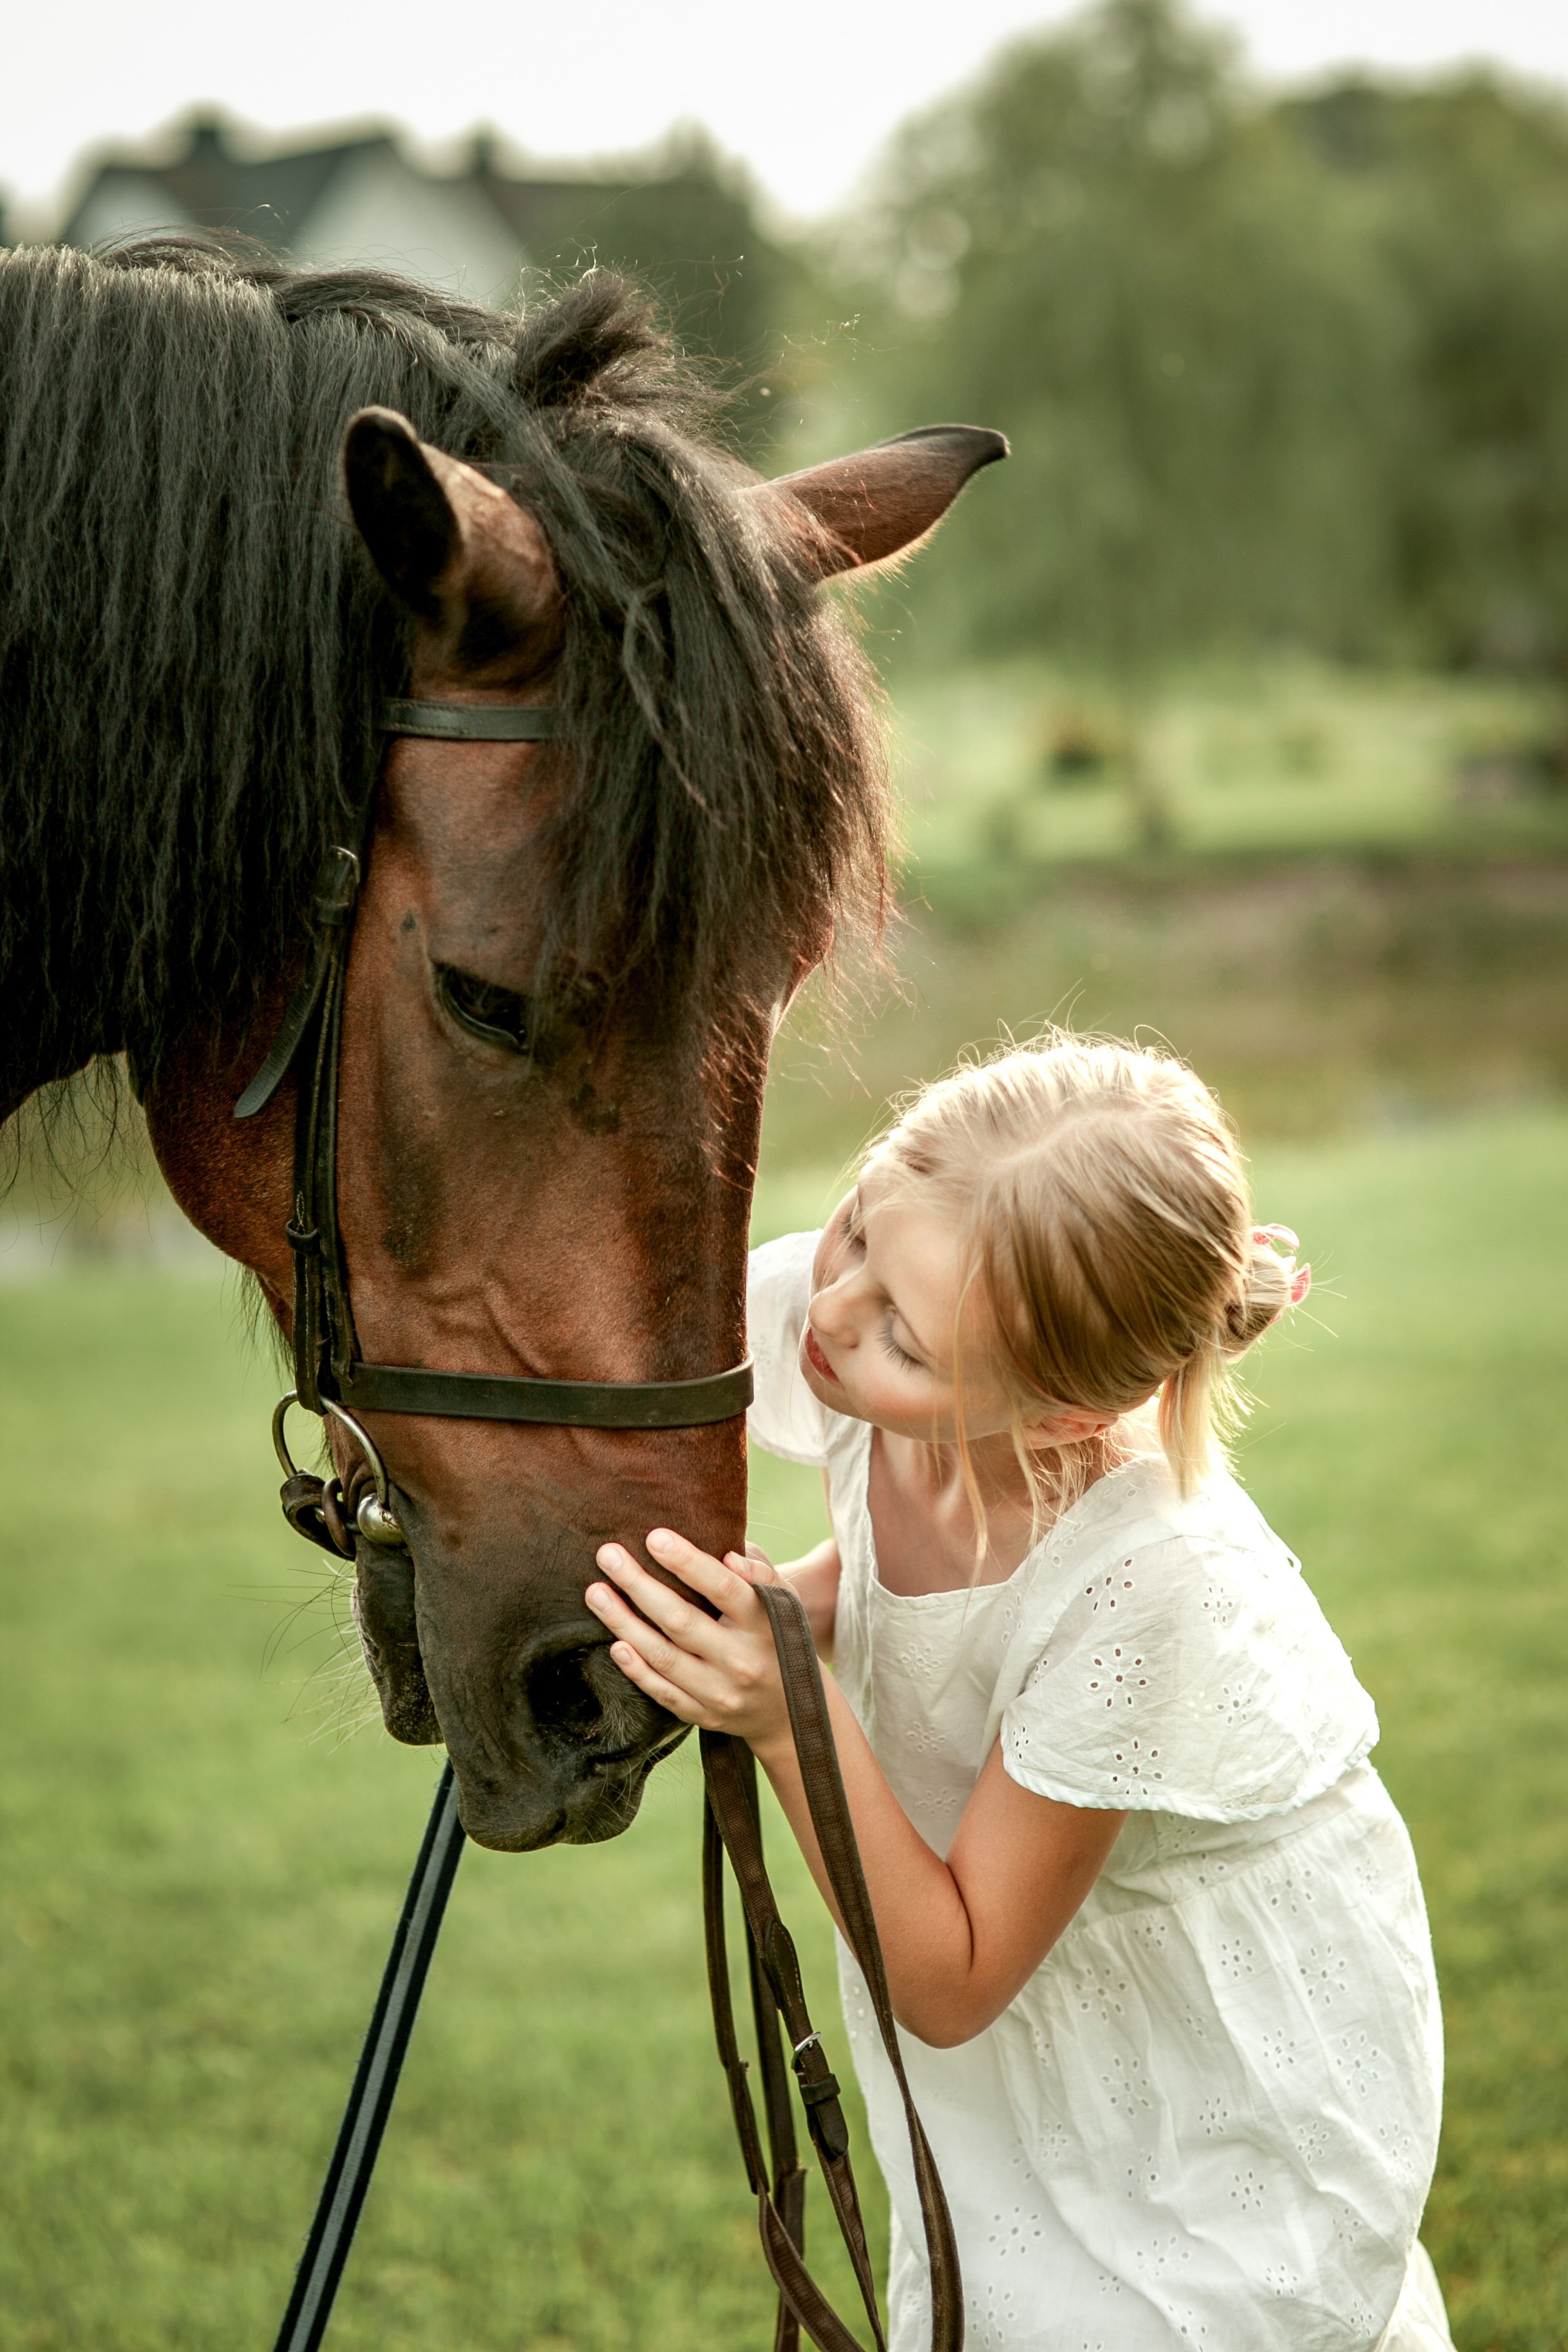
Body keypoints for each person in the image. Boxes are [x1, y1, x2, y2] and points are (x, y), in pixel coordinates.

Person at [585, 1034, 1454, 2352]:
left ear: (1056, 1418)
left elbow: (954, 1975)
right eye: (858, 1227)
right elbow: (903, 1582)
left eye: (904, 1336)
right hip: (1025, 2039)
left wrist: (786, 1712)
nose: (833, 1309)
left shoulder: (1152, 1583)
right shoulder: (879, 1327)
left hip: (1178, 2073)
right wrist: (789, 1606)